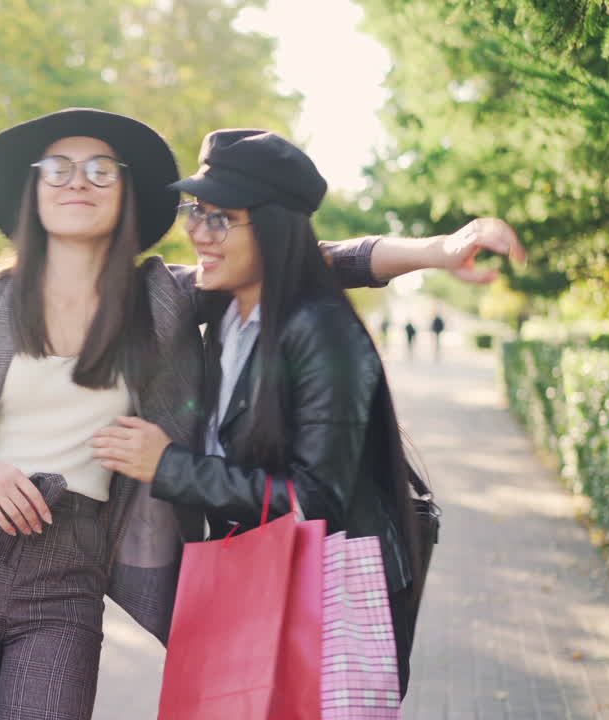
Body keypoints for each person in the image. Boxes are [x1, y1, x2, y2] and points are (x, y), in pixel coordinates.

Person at [0, 109, 522, 719]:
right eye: (57, 169)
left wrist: (437, 250)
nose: (78, 182)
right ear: (32, 194)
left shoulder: (163, 297)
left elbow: (301, 256)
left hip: (68, 576)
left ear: (127, 195)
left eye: (100, 169)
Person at [90, 129, 428, 696]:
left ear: (273, 229)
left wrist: (170, 466)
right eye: (194, 211)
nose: (198, 231)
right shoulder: (228, 314)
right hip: (250, 582)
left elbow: (315, 500)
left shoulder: (322, 332)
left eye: (220, 217)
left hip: (324, 601)